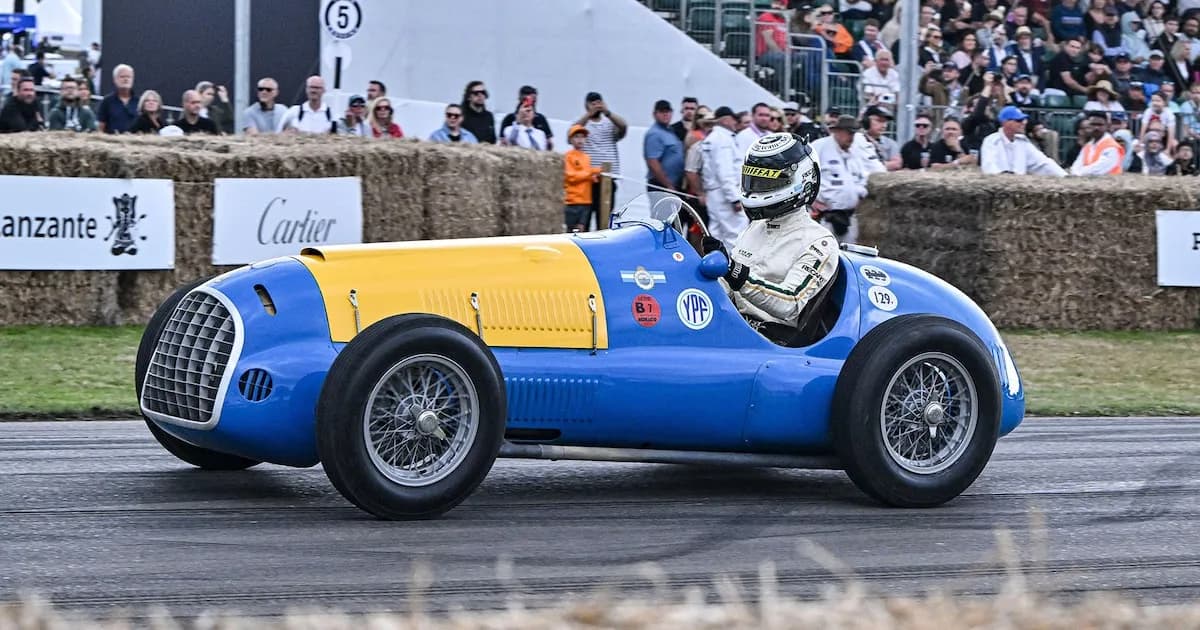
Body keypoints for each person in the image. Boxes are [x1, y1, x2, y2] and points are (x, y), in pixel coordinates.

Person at [699, 132, 838, 346]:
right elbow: (727, 289)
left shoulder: (819, 241)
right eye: (753, 181)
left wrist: (736, 273)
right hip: (732, 325)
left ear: (801, 179)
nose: (756, 190)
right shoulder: (755, 227)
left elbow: (791, 304)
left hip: (773, 341)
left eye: (766, 183)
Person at [809, 115, 872, 242]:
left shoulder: (855, 151)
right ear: (837, 131)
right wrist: (812, 201)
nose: (851, 137)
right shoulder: (819, 147)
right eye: (849, 133)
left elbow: (862, 177)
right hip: (825, 217)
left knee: (849, 255)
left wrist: (860, 194)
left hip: (849, 217)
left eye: (854, 134)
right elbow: (804, 175)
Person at [700, 106, 748, 249]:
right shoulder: (723, 139)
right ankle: (732, 269)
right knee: (735, 235)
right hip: (724, 194)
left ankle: (717, 267)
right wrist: (734, 198)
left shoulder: (713, 137)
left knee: (716, 235)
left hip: (714, 192)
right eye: (734, 119)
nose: (735, 123)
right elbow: (724, 170)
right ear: (726, 120)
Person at [980, 106, 1067, 175]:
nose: (1024, 122)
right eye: (1019, 120)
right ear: (1005, 122)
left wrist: (1064, 176)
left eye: (1024, 120)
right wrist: (1002, 176)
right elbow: (989, 166)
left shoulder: (1023, 142)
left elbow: (1043, 163)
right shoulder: (991, 141)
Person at [563, 124, 602, 232]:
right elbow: (570, 176)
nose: (580, 140)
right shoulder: (568, 156)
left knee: (583, 230)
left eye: (582, 137)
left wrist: (593, 178)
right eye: (576, 136)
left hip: (586, 201)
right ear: (570, 140)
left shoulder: (586, 157)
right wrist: (593, 172)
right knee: (571, 232)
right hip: (572, 201)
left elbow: (584, 175)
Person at [1070, 111, 1125, 175]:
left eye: (1100, 125)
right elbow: (1077, 165)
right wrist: (1075, 172)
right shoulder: (1088, 146)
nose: (1096, 127)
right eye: (1093, 124)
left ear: (1107, 126)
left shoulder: (1112, 146)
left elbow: (1100, 168)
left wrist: (1078, 173)